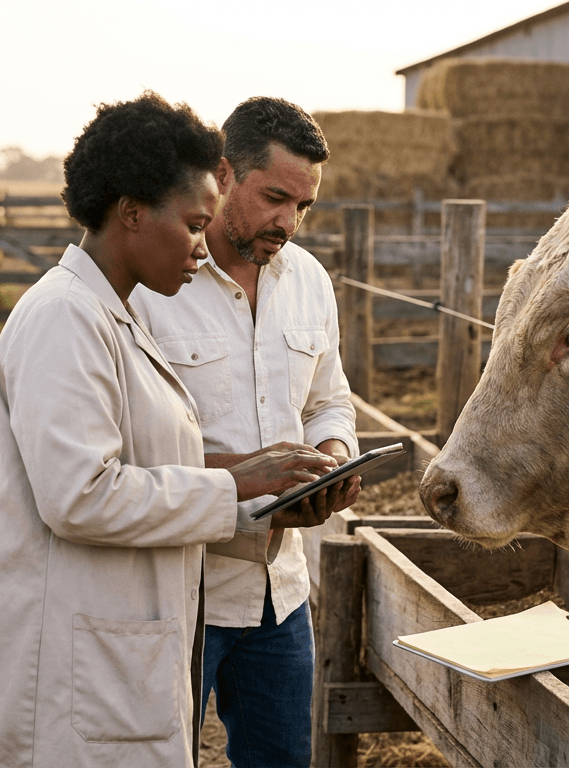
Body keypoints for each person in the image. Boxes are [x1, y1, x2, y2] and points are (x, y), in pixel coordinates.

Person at [0, 92, 339, 768]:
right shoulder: (66, 318)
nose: (200, 246)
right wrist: (234, 484)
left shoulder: (102, 313)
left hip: (116, 635)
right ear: (131, 212)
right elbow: (80, 495)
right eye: (192, 223)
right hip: (58, 654)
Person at [130, 96, 360, 768]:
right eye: (276, 198)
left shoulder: (310, 281)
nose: (289, 222)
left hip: (280, 592)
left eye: (303, 207)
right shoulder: (150, 284)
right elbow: (134, 444)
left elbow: (330, 399)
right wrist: (247, 473)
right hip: (178, 587)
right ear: (224, 174)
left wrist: (332, 459)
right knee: (159, 758)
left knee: (283, 760)